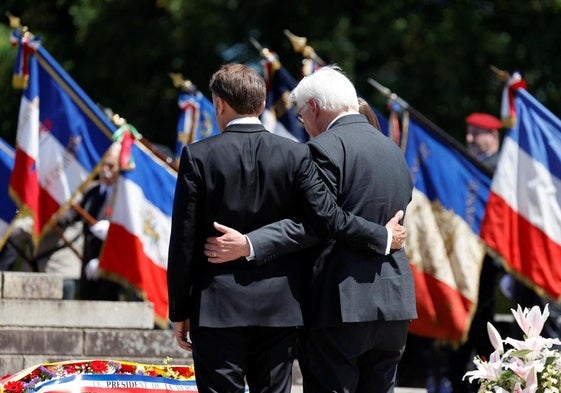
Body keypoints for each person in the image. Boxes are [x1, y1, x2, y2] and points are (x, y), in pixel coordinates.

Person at [167, 63, 408, 393]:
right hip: (349, 305)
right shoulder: (391, 151)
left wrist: (180, 307)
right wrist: (383, 236)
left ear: (219, 104)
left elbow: (319, 221)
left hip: (241, 305)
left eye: (301, 115)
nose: (304, 125)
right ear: (263, 104)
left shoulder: (200, 155)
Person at [77, 142, 124, 301]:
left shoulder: (123, 196)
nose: (105, 170)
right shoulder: (91, 190)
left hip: (112, 270)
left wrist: (112, 231)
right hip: (88, 264)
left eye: (111, 166)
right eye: (103, 164)